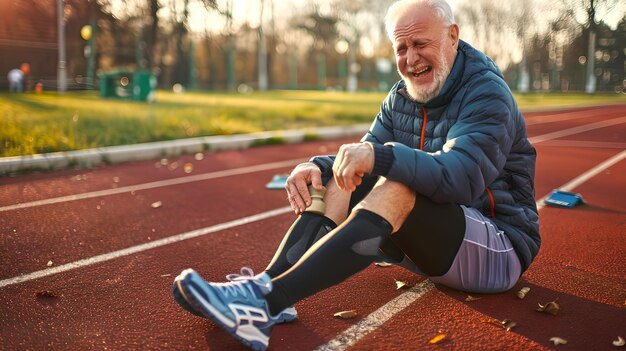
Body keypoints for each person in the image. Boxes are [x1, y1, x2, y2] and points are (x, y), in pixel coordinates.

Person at [172, 0, 540, 350]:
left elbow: (460, 178)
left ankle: (267, 302)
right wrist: (317, 166)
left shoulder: (487, 93)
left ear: (453, 36)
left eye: (420, 44)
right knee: (343, 178)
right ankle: (267, 287)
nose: (410, 59)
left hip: (498, 248)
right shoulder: (401, 97)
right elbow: (364, 154)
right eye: (401, 48)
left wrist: (380, 157)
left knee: (396, 185)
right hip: (435, 243)